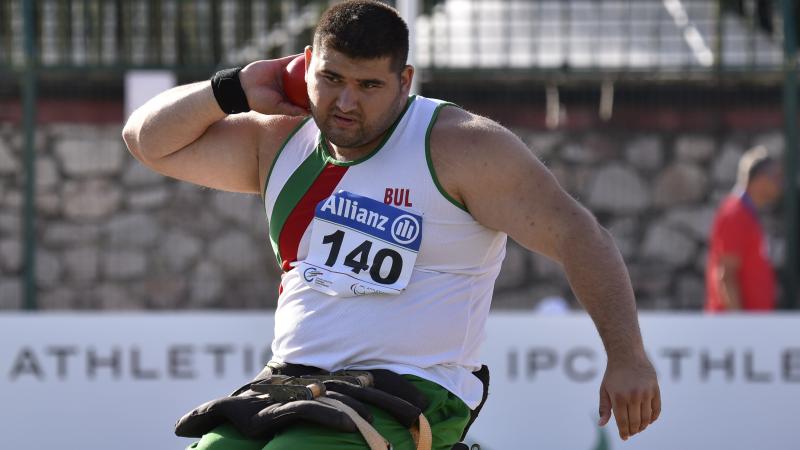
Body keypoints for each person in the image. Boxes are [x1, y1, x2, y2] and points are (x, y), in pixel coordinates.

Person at [122, 1, 660, 448]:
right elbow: (145, 140)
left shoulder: (461, 146)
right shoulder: (279, 138)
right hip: (292, 384)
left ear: (404, 81)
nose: (345, 103)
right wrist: (232, 88)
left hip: (414, 391)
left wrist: (628, 358)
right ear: (305, 64)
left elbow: (580, 235)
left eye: (369, 85)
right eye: (330, 78)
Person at [706, 145, 783, 312]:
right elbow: (727, 277)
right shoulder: (735, 213)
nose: (780, 183)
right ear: (761, 179)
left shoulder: (746, 213)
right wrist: (740, 325)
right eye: (776, 177)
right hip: (736, 331)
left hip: (748, 327)